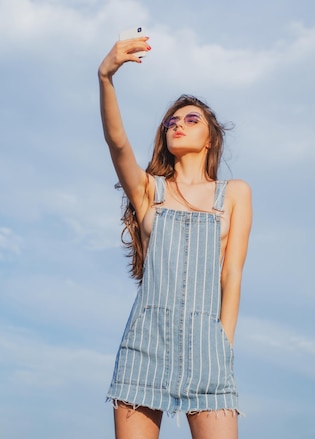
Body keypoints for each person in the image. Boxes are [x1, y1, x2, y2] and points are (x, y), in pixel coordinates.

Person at [98, 33, 253, 439]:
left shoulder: (234, 194)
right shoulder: (150, 191)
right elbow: (117, 143)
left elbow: (231, 274)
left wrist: (223, 345)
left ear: (210, 138)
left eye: (190, 119)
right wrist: (105, 78)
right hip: (144, 346)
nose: (177, 125)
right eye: (171, 121)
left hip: (208, 348)